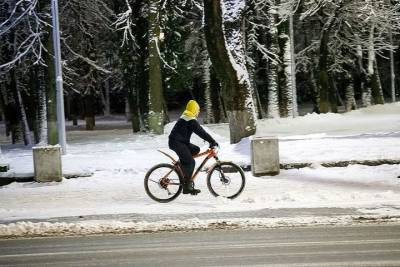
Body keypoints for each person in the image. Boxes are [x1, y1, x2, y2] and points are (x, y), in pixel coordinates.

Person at [169, 100, 218, 195]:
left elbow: (200, 131)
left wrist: (210, 140)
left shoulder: (187, 116)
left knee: (196, 149)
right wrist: (212, 141)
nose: (198, 112)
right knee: (191, 162)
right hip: (177, 143)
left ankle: (183, 165)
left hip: (180, 142)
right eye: (198, 110)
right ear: (194, 109)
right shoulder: (190, 119)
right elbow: (201, 132)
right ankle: (187, 186)